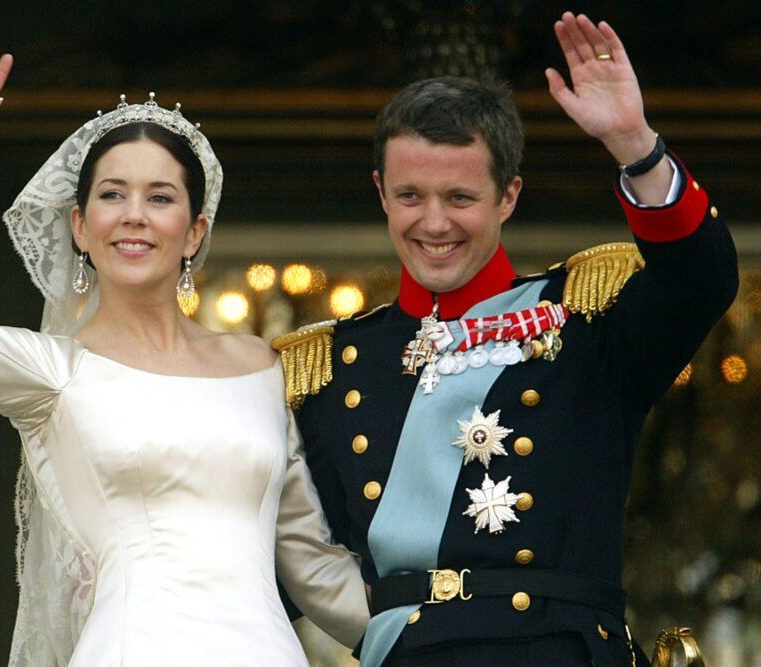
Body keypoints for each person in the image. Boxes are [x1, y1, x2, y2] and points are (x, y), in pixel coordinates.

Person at [0, 36, 369, 666]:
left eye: (160, 197)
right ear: (79, 225)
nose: (134, 216)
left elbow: (312, 566)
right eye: (112, 194)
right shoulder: (52, 374)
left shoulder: (257, 365)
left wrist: (451, 627)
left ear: (195, 231)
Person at [273, 12, 737, 666]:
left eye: (460, 197)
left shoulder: (589, 322)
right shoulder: (334, 367)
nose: (433, 223)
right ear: (381, 192)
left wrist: (636, 143)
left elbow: (703, 279)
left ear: (508, 195)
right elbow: (271, 568)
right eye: (410, 195)